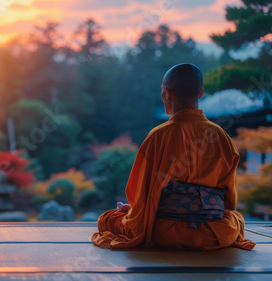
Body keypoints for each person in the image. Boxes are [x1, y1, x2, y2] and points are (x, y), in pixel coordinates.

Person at [92, 63, 255, 251]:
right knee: (236, 219)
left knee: (107, 219)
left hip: (166, 231)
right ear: (201, 93)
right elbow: (229, 201)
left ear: (167, 92)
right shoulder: (222, 137)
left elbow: (141, 195)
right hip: (216, 233)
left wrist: (135, 211)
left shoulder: (158, 136)